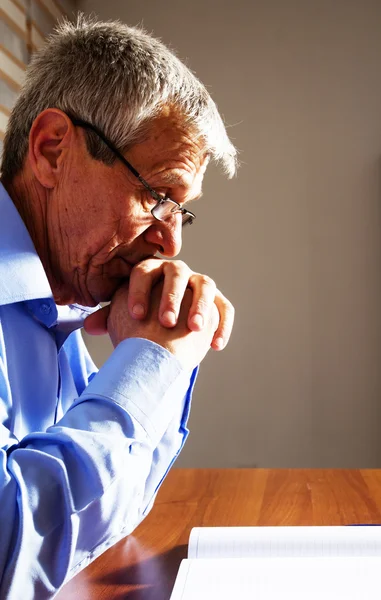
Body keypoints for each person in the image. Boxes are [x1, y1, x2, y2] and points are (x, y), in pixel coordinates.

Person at [0, 16, 237, 599]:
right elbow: (7, 549)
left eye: (183, 210)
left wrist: (162, 354)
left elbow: (102, 517)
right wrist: (148, 362)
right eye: (158, 196)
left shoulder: (58, 303)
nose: (171, 242)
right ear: (53, 151)